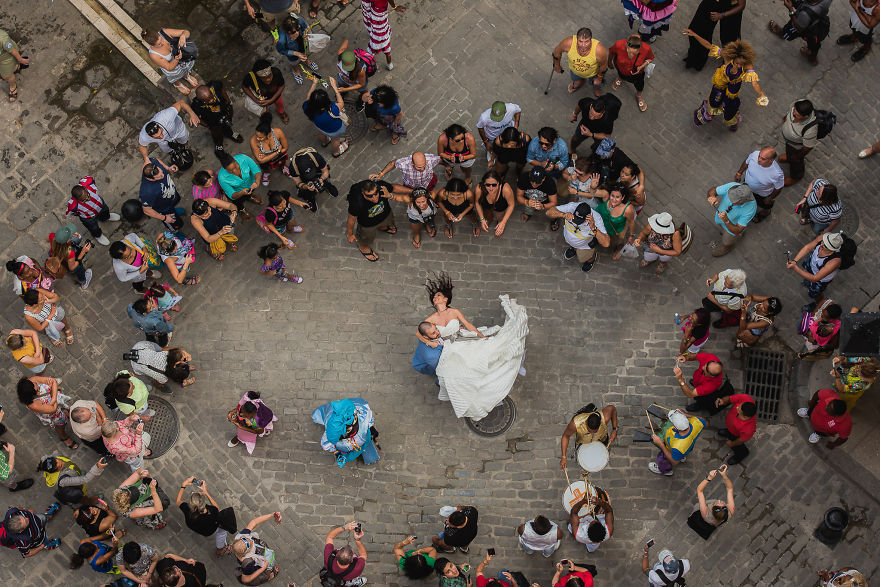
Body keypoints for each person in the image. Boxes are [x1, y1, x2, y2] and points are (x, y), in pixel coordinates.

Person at [416, 274, 528, 419]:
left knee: (486, 355)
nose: (435, 298)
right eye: (434, 297)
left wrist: (481, 336)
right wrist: (428, 341)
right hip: (450, 347)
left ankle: (488, 384)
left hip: (463, 339)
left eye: (438, 295)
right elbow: (418, 332)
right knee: (453, 375)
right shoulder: (431, 319)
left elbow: (468, 325)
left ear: (445, 299)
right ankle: (470, 398)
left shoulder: (454, 311)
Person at [686, 31, 767, 132]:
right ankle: (706, 115)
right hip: (721, 83)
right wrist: (695, 35)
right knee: (713, 101)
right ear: (733, 58)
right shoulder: (727, 56)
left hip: (733, 88)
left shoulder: (747, 65)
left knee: (730, 107)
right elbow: (709, 46)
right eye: (737, 63)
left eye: (741, 64)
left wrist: (761, 94)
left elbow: (754, 82)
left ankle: (732, 121)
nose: (739, 66)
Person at [346, 178, 407, 262]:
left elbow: (394, 188)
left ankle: (382, 227)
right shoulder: (357, 202)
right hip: (367, 225)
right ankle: (363, 247)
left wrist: (412, 191)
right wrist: (350, 234)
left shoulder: (382, 187)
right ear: (363, 194)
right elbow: (351, 219)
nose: (374, 198)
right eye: (370, 196)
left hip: (385, 215)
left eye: (376, 193)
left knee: (388, 222)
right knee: (365, 239)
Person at [312, 398, 380, 466]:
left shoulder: (363, 411)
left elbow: (369, 418)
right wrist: (337, 453)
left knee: (369, 451)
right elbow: (328, 444)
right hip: (346, 446)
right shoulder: (331, 427)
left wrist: (371, 427)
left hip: (362, 438)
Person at [177, 476, 233, 557]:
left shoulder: (186, 508)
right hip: (210, 530)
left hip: (196, 527)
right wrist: (205, 491)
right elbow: (217, 508)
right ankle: (220, 549)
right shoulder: (211, 512)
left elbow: (178, 501)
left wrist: (183, 484)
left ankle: (220, 549)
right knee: (222, 531)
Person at [545, 201, 609, 272]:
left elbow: (606, 243)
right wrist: (563, 214)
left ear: (588, 217)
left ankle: (590, 261)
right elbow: (548, 212)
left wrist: (594, 228)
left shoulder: (597, 219)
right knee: (573, 244)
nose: (577, 222)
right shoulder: (571, 207)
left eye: (581, 221)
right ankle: (573, 248)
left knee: (587, 256)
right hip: (569, 238)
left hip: (585, 245)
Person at [682, 0, 746, 70]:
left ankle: (730, 65)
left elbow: (741, 5)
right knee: (698, 29)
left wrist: (722, 15)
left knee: (730, 38)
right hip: (713, 2)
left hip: (731, 7)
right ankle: (696, 58)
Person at [17, 375, 77, 448]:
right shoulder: (33, 404)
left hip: (56, 402)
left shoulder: (32, 380)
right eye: (36, 391)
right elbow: (53, 410)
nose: (38, 388)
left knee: (64, 408)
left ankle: (64, 411)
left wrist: (53, 399)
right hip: (54, 414)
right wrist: (52, 390)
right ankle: (64, 437)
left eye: (36, 385)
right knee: (61, 425)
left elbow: (53, 381)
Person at [768, 0, 832, 66]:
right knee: (814, 46)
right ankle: (812, 57)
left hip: (802, 26)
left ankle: (782, 34)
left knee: (788, 31)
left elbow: (798, 27)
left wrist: (791, 9)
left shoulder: (805, 14)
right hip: (817, 24)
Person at [786, 232, 843, 304]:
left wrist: (795, 268)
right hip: (812, 264)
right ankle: (808, 281)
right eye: (823, 242)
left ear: (832, 249)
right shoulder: (823, 238)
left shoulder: (834, 261)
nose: (821, 244)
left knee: (815, 293)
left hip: (820, 279)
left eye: (825, 246)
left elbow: (815, 278)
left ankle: (818, 303)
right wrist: (795, 261)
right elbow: (808, 247)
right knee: (808, 273)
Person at [137, 101, 200, 166]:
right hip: (164, 141)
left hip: (178, 129)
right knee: (167, 149)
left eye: (160, 133)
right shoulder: (144, 136)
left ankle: (183, 149)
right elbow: (142, 145)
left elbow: (181, 103)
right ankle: (173, 153)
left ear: (160, 126)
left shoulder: (166, 116)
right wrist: (146, 158)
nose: (161, 136)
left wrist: (192, 114)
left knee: (184, 141)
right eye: (157, 137)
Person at [559, 403, 619, 470]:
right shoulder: (575, 424)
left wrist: (614, 429)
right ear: (586, 423)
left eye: (595, 431)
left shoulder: (605, 417)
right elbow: (565, 436)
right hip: (583, 441)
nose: (592, 434)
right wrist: (563, 457)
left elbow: (612, 409)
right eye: (589, 431)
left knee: (601, 455)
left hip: (601, 438)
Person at [65, 176, 122, 246]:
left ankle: (106, 217)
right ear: (77, 200)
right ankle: (98, 236)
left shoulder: (88, 182)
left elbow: (89, 178)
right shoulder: (73, 205)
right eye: (84, 200)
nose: (88, 199)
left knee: (105, 211)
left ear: (85, 188)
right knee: (94, 228)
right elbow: (71, 213)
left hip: (100, 204)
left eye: (88, 195)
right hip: (89, 217)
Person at [141, 27, 198, 95]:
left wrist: (183, 36)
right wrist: (177, 59)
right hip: (172, 67)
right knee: (174, 76)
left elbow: (186, 31)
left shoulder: (165, 32)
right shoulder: (154, 55)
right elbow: (169, 67)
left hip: (182, 61)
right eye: (159, 44)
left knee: (185, 68)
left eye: (161, 39)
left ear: (158, 34)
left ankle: (186, 76)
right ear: (151, 45)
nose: (162, 43)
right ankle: (177, 84)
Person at [552, 27, 608, 95]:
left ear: (591, 40)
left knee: (596, 83)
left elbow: (603, 65)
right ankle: (579, 81)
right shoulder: (568, 43)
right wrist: (556, 65)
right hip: (574, 70)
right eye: (580, 41)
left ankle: (596, 87)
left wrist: (599, 78)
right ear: (576, 39)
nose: (583, 45)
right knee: (575, 78)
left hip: (593, 74)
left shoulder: (599, 50)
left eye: (586, 41)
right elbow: (557, 52)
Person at [649, 409, 706, 475]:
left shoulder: (677, 448)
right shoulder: (698, 422)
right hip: (687, 447)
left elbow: (674, 462)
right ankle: (681, 456)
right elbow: (704, 421)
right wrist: (687, 414)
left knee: (664, 459)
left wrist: (661, 444)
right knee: (682, 453)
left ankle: (665, 470)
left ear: (676, 428)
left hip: (673, 450)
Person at [231, 512, 283, 585]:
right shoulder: (248, 563)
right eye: (251, 544)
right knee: (266, 571)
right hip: (259, 566)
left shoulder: (242, 536)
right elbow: (245, 580)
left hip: (258, 553)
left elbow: (254, 522)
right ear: (248, 552)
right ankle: (269, 575)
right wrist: (263, 568)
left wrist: (272, 515)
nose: (252, 540)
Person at [191, 82, 243, 154]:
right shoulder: (196, 105)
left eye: (211, 97)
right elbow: (196, 118)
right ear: (201, 100)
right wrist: (207, 125)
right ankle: (219, 144)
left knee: (227, 125)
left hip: (223, 113)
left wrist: (229, 102)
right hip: (212, 121)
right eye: (208, 100)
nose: (211, 100)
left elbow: (222, 90)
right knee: (217, 134)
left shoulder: (215, 87)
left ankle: (230, 133)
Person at [302, 77, 348, 158]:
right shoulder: (332, 110)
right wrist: (334, 87)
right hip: (335, 130)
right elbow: (341, 102)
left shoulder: (307, 107)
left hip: (320, 126)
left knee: (321, 132)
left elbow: (308, 98)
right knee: (335, 140)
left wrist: (314, 84)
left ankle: (324, 142)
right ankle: (336, 152)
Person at [706, 182, 756, 256]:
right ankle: (724, 230)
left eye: (734, 200)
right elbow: (713, 191)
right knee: (721, 227)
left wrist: (726, 221)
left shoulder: (751, 208)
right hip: (720, 220)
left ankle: (727, 248)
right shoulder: (732, 186)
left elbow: (738, 230)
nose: (730, 198)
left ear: (743, 202)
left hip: (732, 230)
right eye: (731, 195)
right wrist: (711, 196)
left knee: (727, 241)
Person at [735, 147, 784, 222]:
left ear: (771, 160)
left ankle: (766, 212)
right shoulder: (755, 154)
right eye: (759, 156)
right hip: (747, 185)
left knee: (765, 204)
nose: (758, 159)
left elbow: (779, 187)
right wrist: (739, 173)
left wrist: (770, 198)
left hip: (762, 194)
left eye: (763, 159)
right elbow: (746, 162)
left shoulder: (777, 174)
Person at [36, 455, 107, 506]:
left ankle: (77, 476)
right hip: (78, 486)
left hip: (73, 474)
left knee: (78, 476)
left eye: (58, 460)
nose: (62, 463)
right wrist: (97, 467)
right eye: (60, 466)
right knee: (83, 497)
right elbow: (85, 479)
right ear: (54, 471)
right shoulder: (63, 481)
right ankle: (89, 501)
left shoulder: (46, 460)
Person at [608, 34, 654, 112]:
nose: (631, 55)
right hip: (621, 69)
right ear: (626, 45)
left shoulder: (646, 49)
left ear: (639, 48)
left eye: (634, 53)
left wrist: (642, 66)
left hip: (637, 74)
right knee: (621, 74)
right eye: (629, 51)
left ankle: (639, 96)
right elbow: (612, 52)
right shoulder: (619, 44)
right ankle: (620, 78)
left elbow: (650, 58)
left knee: (639, 85)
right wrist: (609, 62)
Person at [779, 99, 820, 186]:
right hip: (789, 142)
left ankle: (796, 176)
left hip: (796, 148)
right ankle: (789, 157)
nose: (793, 113)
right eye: (794, 110)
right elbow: (790, 113)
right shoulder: (797, 106)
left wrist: (797, 156)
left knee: (796, 162)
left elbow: (807, 147)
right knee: (789, 152)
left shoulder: (810, 130)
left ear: (805, 117)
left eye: (796, 115)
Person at [287, 146, 339, 212]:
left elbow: (325, 171)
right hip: (304, 179)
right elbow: (298, 183)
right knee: (305, 191)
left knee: (326, 179)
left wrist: (321, 179)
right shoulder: (293, 168)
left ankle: (328, 185)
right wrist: (306, 186)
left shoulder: (316, 157)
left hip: (318, 172)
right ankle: (310, 198)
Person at [217, 150, 263, 221]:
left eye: (235, 167)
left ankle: (250, 197)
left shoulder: (243, 158)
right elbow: (232, 195)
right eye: (231, 171)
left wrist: (256, 182)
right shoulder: (222, 177)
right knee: (238, 203)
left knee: (250, 193)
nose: (235, 171)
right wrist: (241, 193)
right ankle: (241, 210)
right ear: (224, 168)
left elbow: (256, 170)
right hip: (237, 194)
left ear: (235, 160)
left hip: (251, 184)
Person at [594, 182, 635, 260]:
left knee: (616, 240)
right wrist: (593, 186)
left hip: (614, 228)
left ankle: (619, 247)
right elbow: (593, 193)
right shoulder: (606, 196)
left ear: (622, 198)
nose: (613, 199)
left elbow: (631, 221)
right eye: (612, 196)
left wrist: (631, 235)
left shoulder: (628, 209)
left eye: (617, 197)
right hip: (599, 222)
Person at [141, 158, 185, 231]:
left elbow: (156, 159)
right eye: (159, 176)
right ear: (150, 179)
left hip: (171, 196)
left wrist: (168, 168)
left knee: (176, 202)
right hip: (165, 210)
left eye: (162, 172)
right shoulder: (147, 192)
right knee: (176, 225)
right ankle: (176, 233)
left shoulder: (153, 162)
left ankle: (174, 210)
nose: (163, 175)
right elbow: (146, 210)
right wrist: (164, 218)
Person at [128, 340, 194, 388]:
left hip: (140, 348)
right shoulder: (162, 378)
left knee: (158, 349)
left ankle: (182, 374)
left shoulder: (165, 355)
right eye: (184, 361)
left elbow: (163, 350)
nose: (185, 360)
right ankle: (183, 381)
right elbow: (158, 383)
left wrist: (180, 351)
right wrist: (159, 386)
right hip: (139, 360)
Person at [45, 224, 93, 289]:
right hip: (66, 261)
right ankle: (83, 282)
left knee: (78, 237)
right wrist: (83, 252)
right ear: (67, 241)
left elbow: (47, 239)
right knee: (79, 268)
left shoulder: (52, 235)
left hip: (53, 254)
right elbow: (72, 268)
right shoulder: (70, 253)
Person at [361, 0, 405, 70]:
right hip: (379, 9)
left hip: (368, 4)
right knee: (378, 24)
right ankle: (389, 64)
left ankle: (376, 64)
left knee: (369, 17)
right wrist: (394, 7)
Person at [371, 151, 443, 194]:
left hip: (428, 181)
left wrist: (447, 166)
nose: (422, 169)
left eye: (424, 166)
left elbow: (440, 160)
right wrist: (381, 174)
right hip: (411, 185)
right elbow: (393, 163)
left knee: (428, 191)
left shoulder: (430, 159)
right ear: (412, 163)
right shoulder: (404, 163)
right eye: (419, 167)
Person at [714, 394, 757, 464]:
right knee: (730, 432)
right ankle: (728, 432)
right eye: (739, 406)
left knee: (739, 447)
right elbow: (730, 398)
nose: (737, 407)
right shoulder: (746, 399)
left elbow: (741, 440)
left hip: (736, 434)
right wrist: (723, 400)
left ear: (745, 417)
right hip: (731, 428)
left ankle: (741, 455)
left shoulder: (748, 429)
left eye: (739, 410)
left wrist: (732, 443)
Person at [275, 14, 318, 83]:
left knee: (304, 53)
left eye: (298, 29)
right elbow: (281, 50)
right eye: (293, 32)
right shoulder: (282, 39)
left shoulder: (299, 22)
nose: (297, 33)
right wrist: (296, 53)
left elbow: (306, 27)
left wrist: (306, 33)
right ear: (287, 31)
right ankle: (296, 71)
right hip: (292, 53)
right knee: (293, 62)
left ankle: (307, 62)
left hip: (301, 44)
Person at [242, 59, 288, 124]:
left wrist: (272, 100)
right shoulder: (250, 78)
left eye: (270, 76)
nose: (268, 79)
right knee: (264, 111)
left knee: (279, 103)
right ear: (257, 76)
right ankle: (266, 118)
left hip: (275, 95)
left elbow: (282, 86)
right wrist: (255, 100)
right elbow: (244, 87)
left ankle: (282, 113)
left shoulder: (276, 72)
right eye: (264, 77)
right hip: (261, 99)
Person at [322, 522, 368, 586]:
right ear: (351, 560)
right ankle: (350, 582)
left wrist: (344, 527)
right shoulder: (357, 567)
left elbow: (329, 537)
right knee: (348, 580)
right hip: (346, 577)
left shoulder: (328, 558)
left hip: (331, 572)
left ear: (337, 555)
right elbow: (363, 555)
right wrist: (357, 540)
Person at [473, 171, 515, 238]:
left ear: (498, 183)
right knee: (487, 216)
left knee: (500, 218)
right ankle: (488, 220)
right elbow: (477, 203)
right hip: (486, 206)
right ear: (484, 183)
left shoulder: (506, 189)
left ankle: (500, 225)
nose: (491, 188)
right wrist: (482, 219)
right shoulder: (479, 189)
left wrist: (503, 223)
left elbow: (511, 205)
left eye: (494, 185)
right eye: (488, 185)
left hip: (500, 207)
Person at [250, 113, 289, 185]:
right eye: (256, 135)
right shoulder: (253, 141)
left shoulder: (278, 132)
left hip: (279, 156)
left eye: (260, 137)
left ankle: (283, 167)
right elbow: (261, 161)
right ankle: (266, 172)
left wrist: (266, 156)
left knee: (281, 162)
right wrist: (277, 151)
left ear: (268, 135)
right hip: (276, 155)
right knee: (265, 166)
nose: (257, 139)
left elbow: (286, 147)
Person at [335, 40, 372, 110]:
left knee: (364, 93)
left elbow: (361, 84)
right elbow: (345, 41)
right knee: (341, 86)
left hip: (357, 83)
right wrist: (347, 39)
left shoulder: (360, 71)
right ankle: (343, 93)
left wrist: (346, 89)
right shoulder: (340, 54)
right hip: (343, 79)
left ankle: (361, 101)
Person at [0, 29, 29, 102]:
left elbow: (12, 50)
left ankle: (13, 86)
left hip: (6, 58)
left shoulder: (2, 38)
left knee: (6, 76)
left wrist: (20, 59)